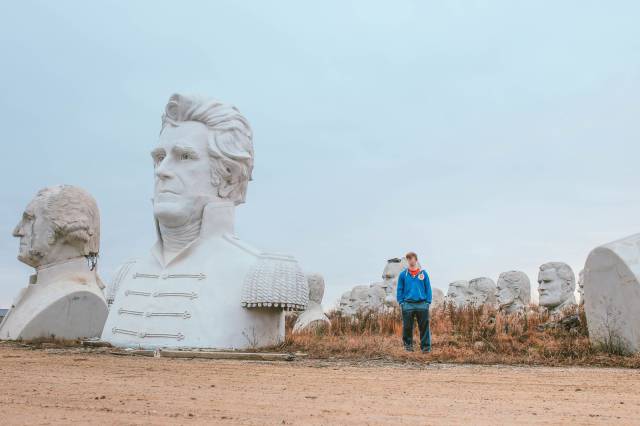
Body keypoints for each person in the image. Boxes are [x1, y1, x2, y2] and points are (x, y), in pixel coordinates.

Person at [396, 252, 432, 352]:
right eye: (408, 259)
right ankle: (408, 348)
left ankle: (426, 348)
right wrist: (401, 302)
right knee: (407, 327)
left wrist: (428, 302)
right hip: (408, 304)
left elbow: (428, 288)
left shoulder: (423, 274)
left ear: (416, 260)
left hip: (422, 303)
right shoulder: (403, 275)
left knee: (424, 327)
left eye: (411, 258)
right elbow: (399, 289)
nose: (410, 260)